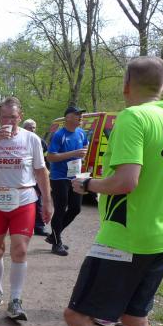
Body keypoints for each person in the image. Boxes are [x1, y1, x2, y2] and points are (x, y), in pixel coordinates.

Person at [34, 56, 163, 326]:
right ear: (162, 85)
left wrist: (89, 184)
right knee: (135, 317)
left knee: (78, 316)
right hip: (161, 237)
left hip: (125, 238)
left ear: (126, 84)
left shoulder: (133, 118)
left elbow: (126, 180)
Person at [0, 97, 53, 321]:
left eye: (14, 117)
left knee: (20, 250)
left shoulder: (31, 139)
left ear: (20, 116)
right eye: (5, 117)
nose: (9, 122)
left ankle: (16, 299)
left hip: (23, 199)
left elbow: (41, 171)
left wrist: (47, 201)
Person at [45, 106, 89, 256]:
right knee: (60, 209)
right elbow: (50, 157)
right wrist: (74, 153)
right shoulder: (59, 135)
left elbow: (85, 144)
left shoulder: (81, 133)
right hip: (60, 177)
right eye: (77, 114)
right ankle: (56, 243)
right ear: (68, 117)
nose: (81, 117)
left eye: (81, 114)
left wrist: (83, 153)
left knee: (76, 208)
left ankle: (54, 236)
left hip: (76, 176)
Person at [22, 118, 50, 236]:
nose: (32, 130)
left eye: (34, 128)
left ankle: (38, 227)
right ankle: (22, 225)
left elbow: (46, 159)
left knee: (38, 201)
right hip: (24, 177)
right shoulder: (19, 140)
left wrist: (47, 173)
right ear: (24, 128)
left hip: (37, 176)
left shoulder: (40, 142)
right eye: (30, 127)